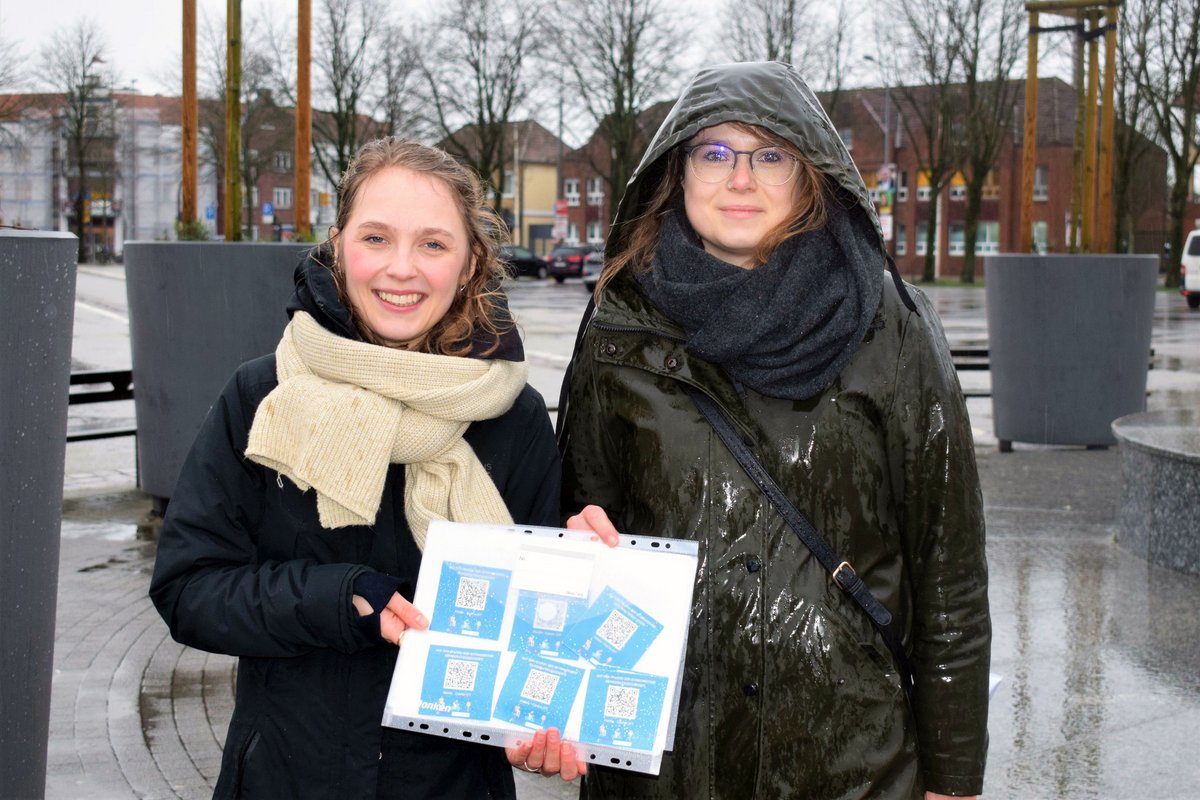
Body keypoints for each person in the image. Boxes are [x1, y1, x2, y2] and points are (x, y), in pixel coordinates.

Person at [558, 62, 990, 799]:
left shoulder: (893, 327)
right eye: (714, 153)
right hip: (665, 764)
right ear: (678, 171)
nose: (741, 179)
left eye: (770, 155)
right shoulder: (618, 327)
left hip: (853, 762)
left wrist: (953, 776)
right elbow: (575, 530)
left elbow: (946, 568)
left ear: (809, 174)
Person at [150, 137, 585, 798]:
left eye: (434, 244)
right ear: (337, 245)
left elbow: (536, 630)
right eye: (376, 238)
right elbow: (190, 589)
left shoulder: (514, 417)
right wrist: (337, 599)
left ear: (469, 264)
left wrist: (542, 728)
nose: (401, 269)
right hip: (283, 778)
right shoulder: (264, 396)